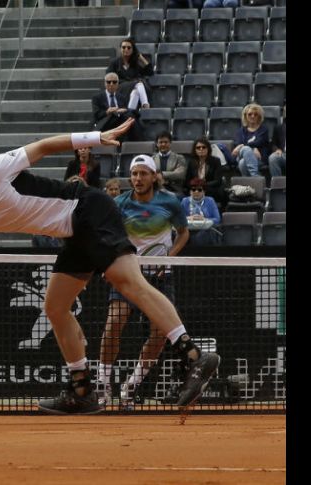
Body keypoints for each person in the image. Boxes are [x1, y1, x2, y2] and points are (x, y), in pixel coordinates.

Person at [0, 119, 220, 415]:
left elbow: (43, 146)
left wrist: (96, 138)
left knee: (127, 281)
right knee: (55, 307)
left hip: (88, 209)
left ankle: (192, 354)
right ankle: (81, 390)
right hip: (72, 233)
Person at [97, 154, 190, 409]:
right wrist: (110, 262)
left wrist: (169, 258)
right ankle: (103, 384)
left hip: (161, 277)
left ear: (154, 176)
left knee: (160, 333)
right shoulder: (119, 203)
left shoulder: (170, 203)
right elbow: (108, 236)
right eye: (135, 174)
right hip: (128, 274)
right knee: (114, 322)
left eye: (143, 173)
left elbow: (183, 233)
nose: (138, 178)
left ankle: (132, 385)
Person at [105, 37, 153, 112]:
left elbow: (150, 72)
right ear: (120, 49)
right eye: (123, 47)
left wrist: (141, 57)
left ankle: (129, 112)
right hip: (120, 87)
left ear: (132, 50)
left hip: (132, 88)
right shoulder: (115, 62)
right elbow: (108, 76)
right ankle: (145, 104)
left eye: (129, 48)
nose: (126, 49)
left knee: (136, 92)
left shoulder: (134, 63)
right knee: (139, 83)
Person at [181, 178, 222, 247]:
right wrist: (189, 218)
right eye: (193, 190)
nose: (196, 192)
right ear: (190, 191)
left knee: (201, 236)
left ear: (204, 191)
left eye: (199, 190)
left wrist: (204, 219)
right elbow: (179, 218)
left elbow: (217, 219)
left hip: (206, 230)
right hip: (188, 230)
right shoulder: (185, 201)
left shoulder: (210, 201)